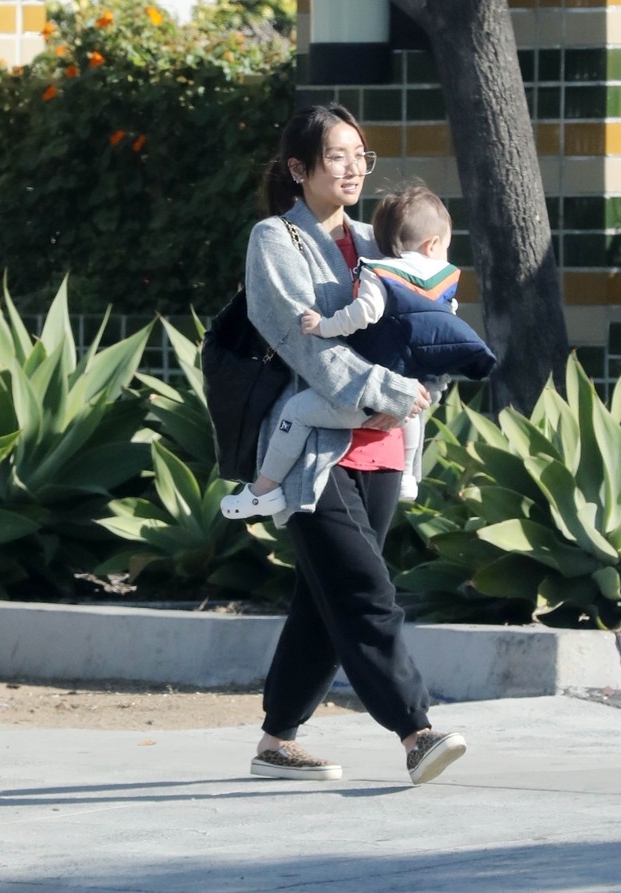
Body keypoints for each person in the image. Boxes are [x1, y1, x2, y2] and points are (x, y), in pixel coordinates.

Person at [235, 104, 468, 785]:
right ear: (299, 168)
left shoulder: (382, 239)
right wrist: (388, 392)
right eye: (337, 155)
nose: (354, 166)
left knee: (323, 594)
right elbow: (305, 347)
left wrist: (422, 389)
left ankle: (277, 739)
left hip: (385, 450)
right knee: (365, 589)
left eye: (360, 154)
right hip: (314, 448)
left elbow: (428, 327)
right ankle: (416, 729)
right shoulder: (274, 241)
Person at [221, 181, 494, 516]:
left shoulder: (381, 270)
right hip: (397, 405)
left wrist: (324, 325)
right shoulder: (443, 286)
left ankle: (264, 488)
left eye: (359, 156)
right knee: (413, 404)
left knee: (296, 412)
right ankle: (411, 473)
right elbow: (442, 341)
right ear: (434, 244)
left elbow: (362, 314)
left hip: (361, 399)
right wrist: (410, 395)